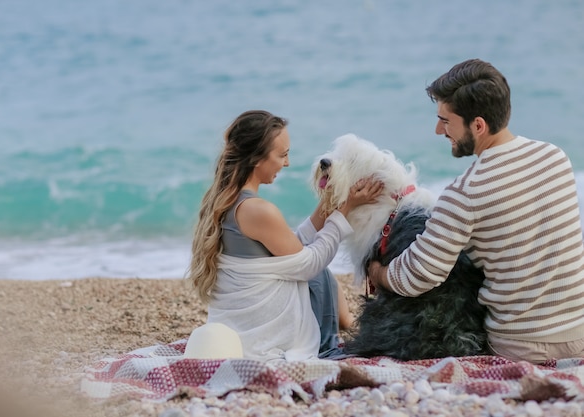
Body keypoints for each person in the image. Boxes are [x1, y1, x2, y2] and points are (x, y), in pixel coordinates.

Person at [367, 59, 584, 364]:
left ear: (478, 126)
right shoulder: (555, 157)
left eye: (446, 120)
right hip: (578, 333)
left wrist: (374, 270)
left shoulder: (464, 194)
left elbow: (414, 277)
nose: (438, 130)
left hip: (521, 345)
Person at [188, 110, 383, 361]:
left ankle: (342, 324)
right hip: (260, 336)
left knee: (308, 259)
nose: (287, 163)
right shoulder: (256, 210)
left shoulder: (226, 200)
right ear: (257, 159)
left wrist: (330, 203)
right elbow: (309, 265)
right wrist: (345, 210)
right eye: (283, 155)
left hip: (237, 326)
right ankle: (333, 335)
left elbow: (289, 246)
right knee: (318, 273)